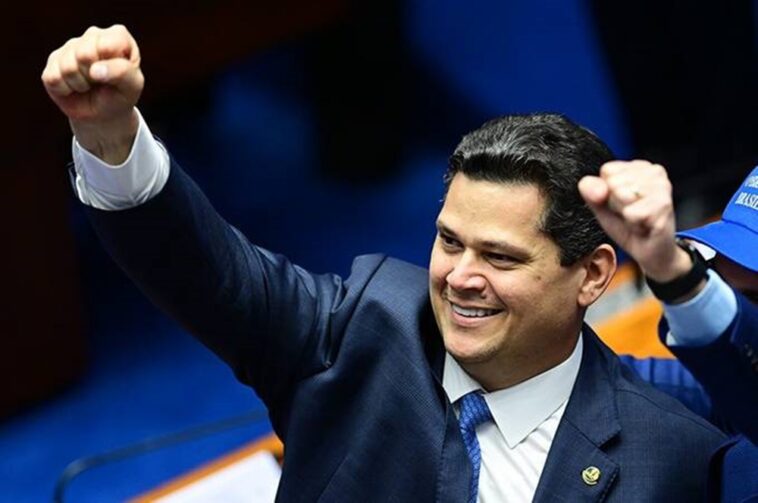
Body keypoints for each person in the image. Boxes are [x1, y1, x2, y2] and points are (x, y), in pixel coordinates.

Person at [42, 25, 725, 501]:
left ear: (594, 274)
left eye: (500, 256)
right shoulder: (359, 330)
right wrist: (109, 136)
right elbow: (203, 268)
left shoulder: (668, 453)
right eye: (450, 241)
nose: (460, 277)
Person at [579, 161, 758, 501]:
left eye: (753, 299)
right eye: (720, 281)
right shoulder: (714, 393)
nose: (735, 309)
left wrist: (678, 277)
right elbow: (596, 378)